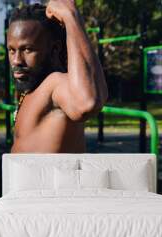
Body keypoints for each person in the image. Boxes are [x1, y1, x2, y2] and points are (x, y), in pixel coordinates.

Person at [9, 1, 108, 153]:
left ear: (55, 48)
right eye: (12, 50)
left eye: (27, 49)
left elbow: (86, 103)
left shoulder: (56, 84)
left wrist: (71, 17)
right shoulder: (32, 88)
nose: (17, 60)